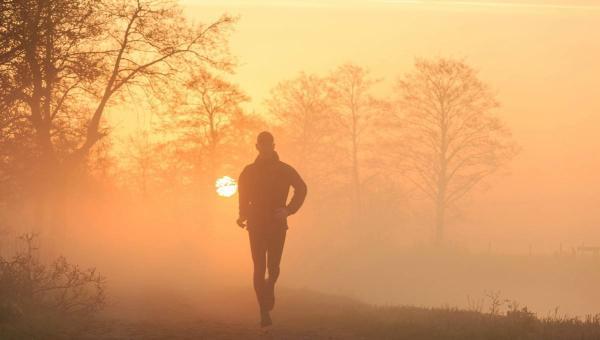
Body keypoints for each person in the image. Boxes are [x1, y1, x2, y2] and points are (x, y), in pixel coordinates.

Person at [237, 131, 307, 327]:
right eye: (263, 144)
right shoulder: (248, 171)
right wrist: (242, 214)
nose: (266, 148)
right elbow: (242, 194)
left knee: (273, 267)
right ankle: (263, 312)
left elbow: (302, 188)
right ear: (257, 146)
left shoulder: (285, 170)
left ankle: (269, 288)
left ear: (273, 146)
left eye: (269, 144)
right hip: (256, 224)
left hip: (277, 224)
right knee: (259, 267)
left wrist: (289, 209)